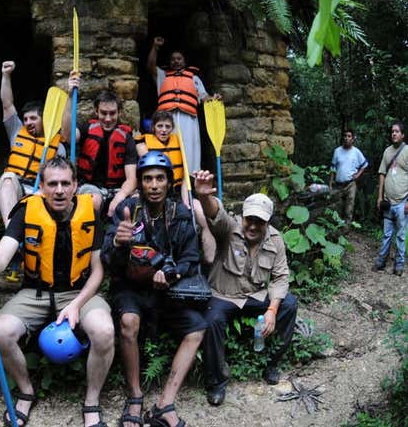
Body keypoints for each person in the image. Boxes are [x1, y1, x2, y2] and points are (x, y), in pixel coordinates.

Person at [0, 157, 114, 427]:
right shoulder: (25, 211)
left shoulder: (89, 213)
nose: (59, 190)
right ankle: (26, 390)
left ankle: (91, 401)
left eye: (65, 184)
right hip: (35, 293)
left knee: (104, 331)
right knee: (0, 333)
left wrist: (77, 305)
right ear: (41, 187)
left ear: (75, 186)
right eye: (52, 184)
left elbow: (98, 272)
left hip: (78, 291)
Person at [103, 151, 206, 427]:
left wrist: (173, 273)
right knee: (128, 321)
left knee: (197, 329)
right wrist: (118, 244)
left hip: (166, 290)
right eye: (148, 179)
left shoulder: (180, 214)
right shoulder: (126, 211)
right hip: (130, 287)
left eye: (160, 178)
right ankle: (135, 396)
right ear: (140, 183)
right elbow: (108, 262)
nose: (154, 185)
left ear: (169, 182)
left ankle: (164, 403)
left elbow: (191, 258)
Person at [193, 170, 298, 406]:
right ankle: (216, 381)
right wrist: (204, 197)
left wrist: (272, 309)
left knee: (289, 303)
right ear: (242, 217)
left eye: (259, 221)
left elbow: (281, 277)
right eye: (249, 219)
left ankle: (272, 363)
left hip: (254, 296)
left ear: (267, 222)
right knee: (211, 321)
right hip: (223, 295)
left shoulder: (276, 240)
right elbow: (215, 215)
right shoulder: (229, 229)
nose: (252, 225)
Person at [136, 110, 216, 262]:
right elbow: (148, 166)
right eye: (160, 126)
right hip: (157, 194)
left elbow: (185, 175)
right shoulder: (143, 144)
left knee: (203, 217)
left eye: (167, 126)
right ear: (153, 127)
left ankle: (209, 263)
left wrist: (186, 199)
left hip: (177, 192)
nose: (164, 130)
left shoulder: (178, 141)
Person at [0, 60, 66, 226]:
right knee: (6, 178)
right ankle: (10, 230)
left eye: (33, 118)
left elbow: (62, 178)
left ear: (45, 120)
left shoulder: (58, 146)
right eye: (26, 119)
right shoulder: (16, 131)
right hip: (17, 186)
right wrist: (5, 75)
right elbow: (7, 105)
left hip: (41, 189)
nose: (28, 122)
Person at [62, 73, 138, 216]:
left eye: (112, 113)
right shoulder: (87, 128)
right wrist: (70, 96)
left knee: (134, 203)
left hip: (118, 189)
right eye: (103, 113)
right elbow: (67, 136)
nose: (108, 118)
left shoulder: (126, 137)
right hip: (90, 187)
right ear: (96, 111)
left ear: (119, 112)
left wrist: (119, 198)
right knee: (94, 200)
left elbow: (131, 179)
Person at [145, 37, 218, 173]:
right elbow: (150, 66)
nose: (176, 61)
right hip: (168, 120)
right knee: (169, 151)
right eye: (173, 59)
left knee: (190, 151)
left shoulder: (193, 78)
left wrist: (214, 98)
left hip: (188, 120)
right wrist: (155, 46)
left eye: (179, 58)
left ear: (184, 61)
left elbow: (204, 97)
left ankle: (190, 182)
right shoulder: (164, 76)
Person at [375, 121, 408, 276]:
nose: (394, 134)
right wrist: (380, 197)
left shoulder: (407, 151)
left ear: (402, 134)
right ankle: (381, 261)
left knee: (401, 235)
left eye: (397, 131)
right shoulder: (387, 152)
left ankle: (399, 265)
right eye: (392, 131)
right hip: (388, 202)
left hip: (402, 202)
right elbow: (382, 173)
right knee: (387, 234)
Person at [329, 129, 368, 224]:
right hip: (338, 184)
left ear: (353, 139)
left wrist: (358, 175)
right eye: (345, 136)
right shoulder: (337, 151)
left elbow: (365, 164)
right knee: (337, 207)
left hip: (351, 184)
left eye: (349, 136)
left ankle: (346, 229)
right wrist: (330, 182)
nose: (346, 138)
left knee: (349, 208)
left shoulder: (356, 152)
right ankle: (336, 228)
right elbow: (333, 168)